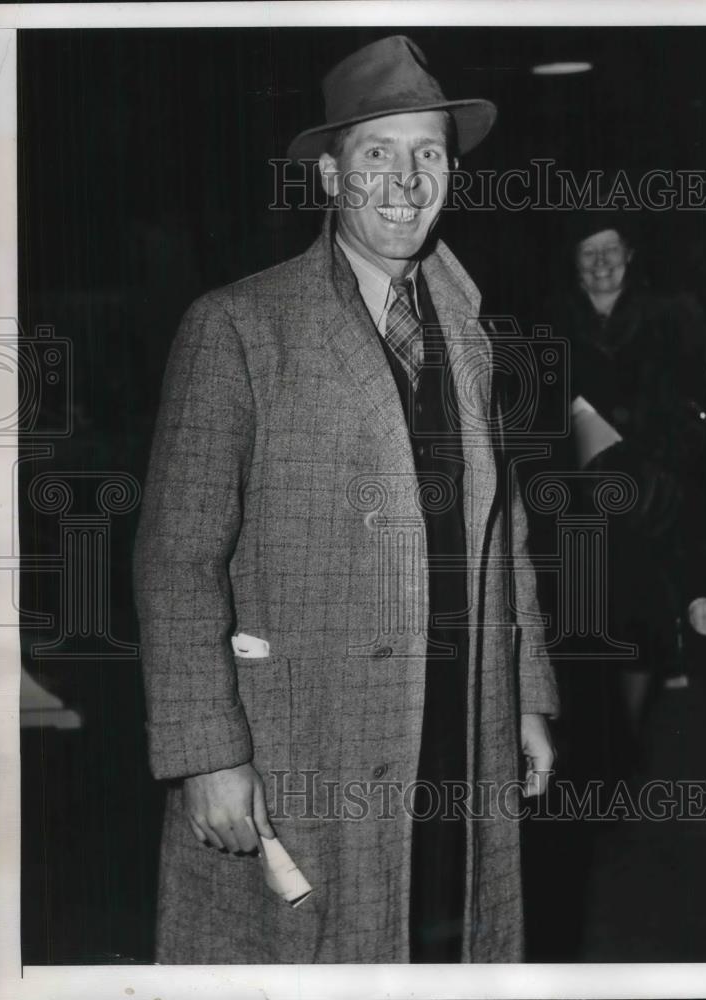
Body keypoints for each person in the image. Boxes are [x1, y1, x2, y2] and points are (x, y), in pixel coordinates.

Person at [134, 34, 558, 965]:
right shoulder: (240, 327)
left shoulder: (473, 331)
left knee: (448, 944)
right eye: (378, 153)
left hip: (456, 720)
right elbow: (176, 560)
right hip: (305, 738)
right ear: (329, 174)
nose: (407, 180)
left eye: (429, 154)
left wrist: (522, 696)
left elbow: (506, 530)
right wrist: (208, 753)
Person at [551, 212, 706, 769]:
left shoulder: (670, 318)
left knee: (639, 626)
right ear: (574, 263)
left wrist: (655, 468)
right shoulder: (551, 323)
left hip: (645, 501)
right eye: (588, 253)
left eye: (611, 251)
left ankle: (626, 747)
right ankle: (591, 748)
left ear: (629, 255)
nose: (601, 264)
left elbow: (696, 412)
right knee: (578, 626)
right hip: (573, 505)